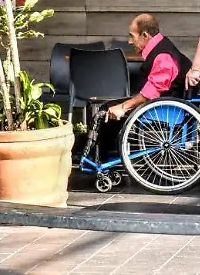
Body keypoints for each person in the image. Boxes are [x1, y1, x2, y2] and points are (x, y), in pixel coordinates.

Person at [80, 14, 192, 163]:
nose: (129, 41)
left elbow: (151, 93)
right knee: (109, 107)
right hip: (165, 102)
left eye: (132, 36)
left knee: (106, 110)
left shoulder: (163, 56)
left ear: (145, 35)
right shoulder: (163, 48)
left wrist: (124, 107)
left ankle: (101, 160)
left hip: (166, 109)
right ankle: (98, 154)